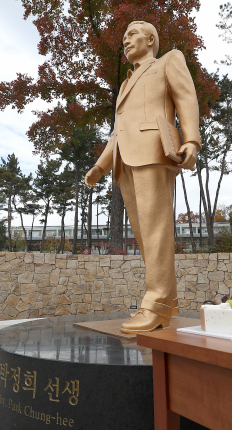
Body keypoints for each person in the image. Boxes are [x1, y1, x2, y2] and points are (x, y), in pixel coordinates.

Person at [84, 21, 201, 333]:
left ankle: (156, 303)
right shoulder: (125, 84)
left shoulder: (168, 61)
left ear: (150, 38)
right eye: (123, 37)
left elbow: (186, 98)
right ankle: (165, 303)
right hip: (126, 162)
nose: (125, 41)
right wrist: (102, 165)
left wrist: (191, 140)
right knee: (147, 238)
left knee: (156, 231)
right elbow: (118, 132)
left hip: (154, 153)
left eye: (131, 34)